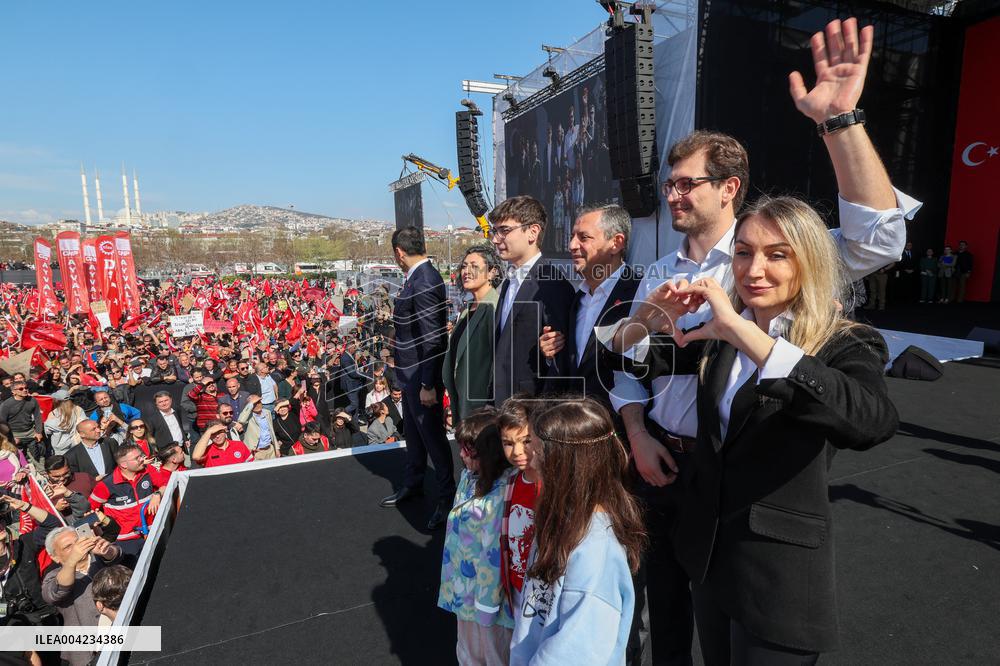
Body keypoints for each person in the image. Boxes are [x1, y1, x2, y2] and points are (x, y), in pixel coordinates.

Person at [595, 18, 918, 664]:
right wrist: (637, 425)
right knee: (670, 624)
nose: (672, 195)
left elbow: (880, 240)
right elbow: (624, 359)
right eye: (669, 184)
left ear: (729, 189)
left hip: (748, 498)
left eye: (686, 184)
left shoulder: (780, 252)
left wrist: (840, 123)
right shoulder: (660, 274)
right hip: (662, 467)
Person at [613, 195, 900, 662]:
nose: (753, 270)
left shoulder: (843, 341)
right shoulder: (721, 336)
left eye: (777, 254)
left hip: (778, 576)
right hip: (711, 563)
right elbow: (621, 358)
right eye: (744, 252)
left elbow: (871, 421)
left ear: (808, 261)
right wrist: (648, 314)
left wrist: (747, 335)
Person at [510, 399, 645, 665]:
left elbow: (575, 652)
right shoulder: (561, 521)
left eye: (537, 451)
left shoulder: (595, 552)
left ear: (565, 466)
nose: (531, 461)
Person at [380, 226, 455, 531]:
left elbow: (432, 338)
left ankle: (447, 498)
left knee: (433, 438)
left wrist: (427, 384)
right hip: (410, 374)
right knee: (413, 434)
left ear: (399, 252)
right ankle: (413, 483)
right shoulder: (418, 277)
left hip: (421, 377)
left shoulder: (424, 280)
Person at [538, 203, 643, 416]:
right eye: (572, 237)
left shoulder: (639, 294)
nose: (571, 245)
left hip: (618, 428)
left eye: (583, 237)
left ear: (616, 243)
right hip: (573, 424)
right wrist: (552, 353)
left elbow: (641, 371)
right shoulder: (577, 300)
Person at [438, 407, 514, 665]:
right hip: (464, 592)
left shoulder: (500, 496)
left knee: (494, 656)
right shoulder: (469, 477)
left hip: (489, 604)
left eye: (468, 450)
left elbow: (494, 555)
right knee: (468, 654)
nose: (461, 455)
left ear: (489, 452)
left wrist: (487, 606)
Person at [489, 196, 575, 405]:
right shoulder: (509, 282)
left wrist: (539, 413)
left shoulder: (552, 285)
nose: (495, 239)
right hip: (503, 405)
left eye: (504, 230)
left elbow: (559, 364)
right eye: (494, 231)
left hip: (529, 409)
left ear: (533, 232)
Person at [42, 527, 122, 665]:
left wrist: (107, 550)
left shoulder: (100, 558)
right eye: (68, 547)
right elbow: (54, 593)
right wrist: (72, 561)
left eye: (78, 541)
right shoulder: (53, 576)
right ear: (55, 557)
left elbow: (118, 555)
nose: (77, 547)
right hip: (86, 652)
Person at [442, 244, 501, 428]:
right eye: (464, 266)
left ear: (492, 272)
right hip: (464, 407)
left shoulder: (494, 308)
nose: (466, 271)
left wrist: (489, 406)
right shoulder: (467, 310)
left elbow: (498, 364)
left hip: (482, 413)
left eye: (474, 266)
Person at [89, 442, 165, 562]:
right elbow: (91, 510)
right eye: (137, 458)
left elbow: (165, 485)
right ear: (124, 464)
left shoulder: (147, 470)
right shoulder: (106, 484)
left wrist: (157, 494)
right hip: (126, 541)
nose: (142, 459)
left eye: (141, 455)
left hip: (154, 531)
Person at [0, 497, 61, 627]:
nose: (0, 526)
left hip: (48, 615)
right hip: (16, 625)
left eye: (0, 521)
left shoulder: (22, 544)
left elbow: (53, 525)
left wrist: (24, 506)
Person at [0, 380, 44, 466]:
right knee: (18, 459)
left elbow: (38, 417)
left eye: (26, 388)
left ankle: (41, 472)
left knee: (37, 457)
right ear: (13, 392)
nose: (25, 390)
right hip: (15, 434)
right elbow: (2, 423)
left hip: (30, 433)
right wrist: (11, 437)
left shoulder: (32, 400)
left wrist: (39, 432)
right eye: (21, 389)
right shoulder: (6, 405)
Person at [43, 454, 94, 525]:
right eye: (56, 476)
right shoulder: (42, 491)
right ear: (46, 474)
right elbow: (39, 518)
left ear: (69, 468)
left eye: (66, 473)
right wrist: (55, 509)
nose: (62, 478)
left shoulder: (84, 478)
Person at [237, 394, 280, 460]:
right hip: (257, 452)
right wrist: (251, 403)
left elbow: (271, 432)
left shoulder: (267, 412)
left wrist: (276, 448)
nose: (257, 405)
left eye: (258, 402)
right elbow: (241, 420)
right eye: (254, 404)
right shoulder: (248, 417)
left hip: (270, 450)